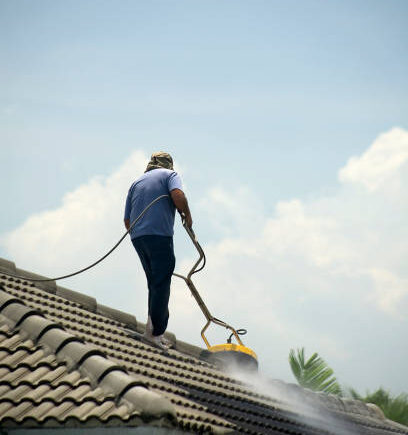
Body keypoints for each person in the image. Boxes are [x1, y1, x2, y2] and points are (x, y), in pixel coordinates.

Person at [124, 152, 192, 349]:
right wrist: (187, 214)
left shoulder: (136, 183)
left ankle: (152, 329)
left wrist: (141, 235)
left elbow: (127, 221)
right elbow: (178, 195)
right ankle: (155, 334)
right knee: (161, 282)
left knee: (154, 282)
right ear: (168, 165)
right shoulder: (170, 175)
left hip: (138, 237)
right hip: (159, 235)